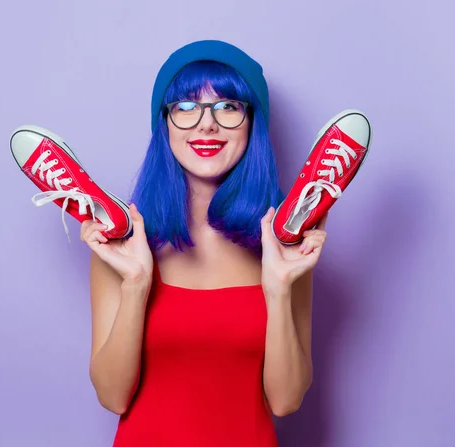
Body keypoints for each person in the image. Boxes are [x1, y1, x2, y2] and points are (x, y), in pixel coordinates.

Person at [79, 40, 328, 447]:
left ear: (252, 123)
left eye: (228, 106)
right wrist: (137, 284)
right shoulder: (121, 236)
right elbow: (112, 395)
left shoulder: (285, 239)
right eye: (186, 106)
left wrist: (279, 289)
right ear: (164, 123)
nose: (206, 124)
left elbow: (285, 401)